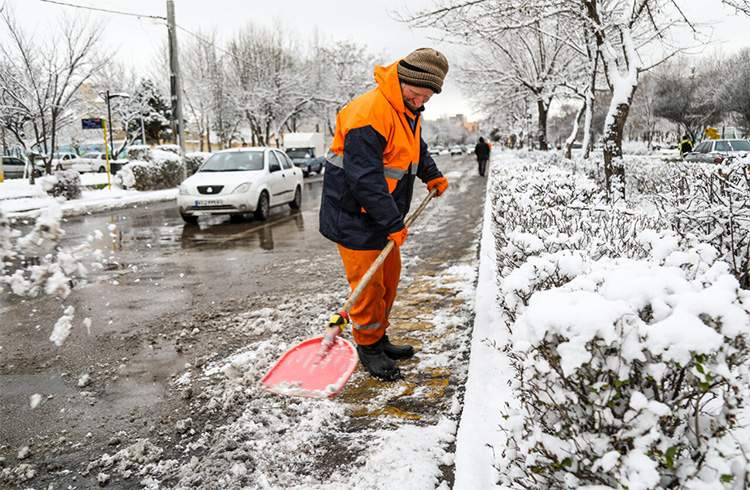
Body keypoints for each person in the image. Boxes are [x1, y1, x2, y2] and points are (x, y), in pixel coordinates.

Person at [319, 48, 450, 381]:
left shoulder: (407, 109)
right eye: (416, 93)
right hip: (353, 217)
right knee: (367, 290)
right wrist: (392, 222)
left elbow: (414, 148)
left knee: (388, 283)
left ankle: (380, 337)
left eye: (427, 97)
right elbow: (364, 178)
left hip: (382, 216)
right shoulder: (369, 113)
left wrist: (430, 174)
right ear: (402, 80)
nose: (420, 102)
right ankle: (368, 347)